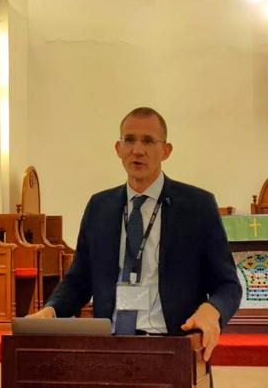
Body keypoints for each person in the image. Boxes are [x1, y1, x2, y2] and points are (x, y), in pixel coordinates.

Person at [28, 107, 241, 361]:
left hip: (174, 347)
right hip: (111, 348)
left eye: (148, 141)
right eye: (129, 140)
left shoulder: (197, 206)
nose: (137, 150)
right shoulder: (99, 207)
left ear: (166, 150)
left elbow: (227, 285)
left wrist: (212, 309)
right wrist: (51, 311)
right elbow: (80, 280)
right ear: (118, 148)